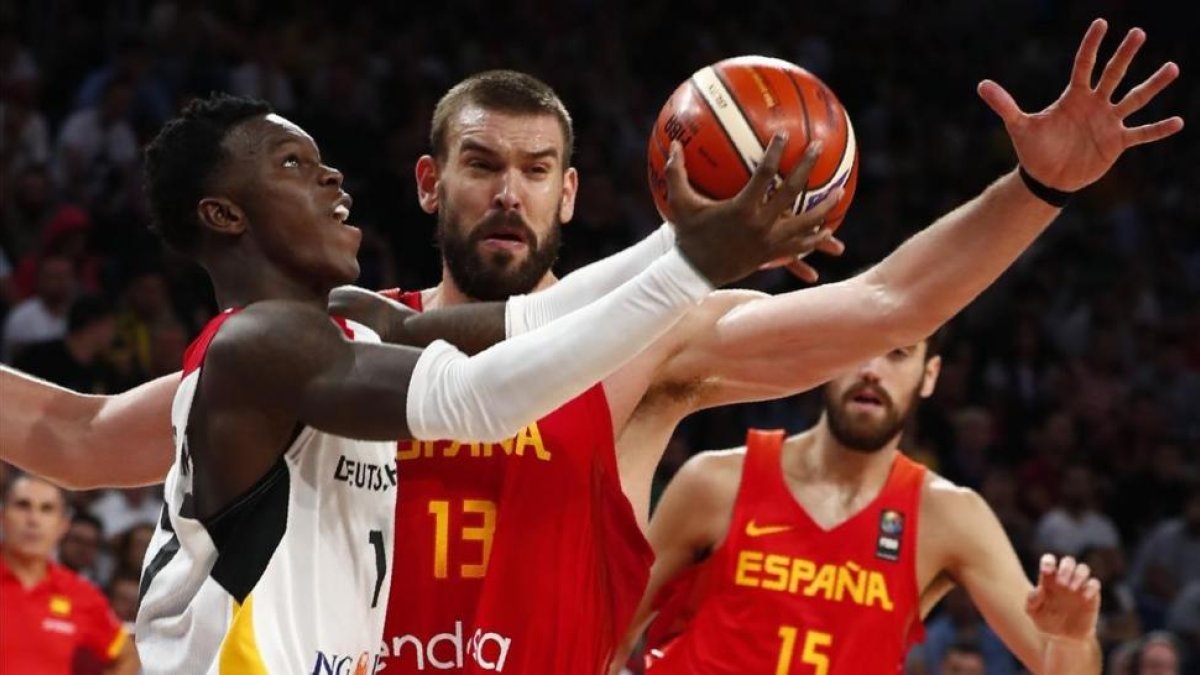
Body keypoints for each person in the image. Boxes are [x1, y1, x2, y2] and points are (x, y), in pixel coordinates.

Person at [1, 19, 1185, 674]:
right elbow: (72, 433)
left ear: (573, 197)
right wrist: (687, 256)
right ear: (430, 180)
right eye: (480, 165)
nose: (507, 194)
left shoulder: (646, 352)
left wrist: (1036, 188)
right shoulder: (318, 345)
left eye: (535, 172)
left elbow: (884, 311)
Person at [121, 92, 824, 675]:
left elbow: (534, 316)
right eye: (293, 164)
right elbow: (476, 399)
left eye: (323, 160)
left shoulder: (353, 326)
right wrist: (693, 267)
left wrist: (685, 237)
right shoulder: (256, 345)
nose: (332, 176)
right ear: (224, 213)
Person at [623, 333, 1103, 674]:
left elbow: (1055, 664)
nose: (872, 368)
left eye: (898, 352)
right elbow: (607, 631)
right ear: (829, 356)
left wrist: (1070, 640)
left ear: (929, 374)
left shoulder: (949, 516)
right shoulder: (714, 483)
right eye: (859, 347)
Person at [0, 474, 139, 674]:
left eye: (46, 509)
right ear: (3, 517)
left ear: (62, 526)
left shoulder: (80, 594)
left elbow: (127, 657)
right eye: (23, 505)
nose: (33, 519)